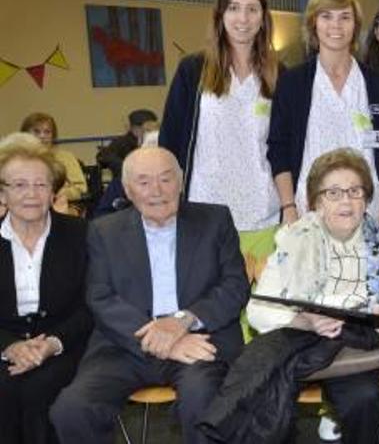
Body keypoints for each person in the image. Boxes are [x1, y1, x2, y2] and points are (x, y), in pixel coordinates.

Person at [49, 147, 250, 444]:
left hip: (200, 340)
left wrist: (182, 322)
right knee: (72, 409)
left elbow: (235, 286)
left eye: (166, 179)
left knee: (202, 399)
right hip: (125, 344)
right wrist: (163, 340)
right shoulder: (104, 231)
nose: (157, 190)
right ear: (128, 190)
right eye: (143, 182)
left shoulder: (215, 219)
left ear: (181, 182)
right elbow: (100, 296)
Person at [203, 148, 379, 444]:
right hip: (298, 342)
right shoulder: (293, 240)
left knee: (363, 397)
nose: (346, 200)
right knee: (265, 398)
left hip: (354, 348)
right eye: (333, 193)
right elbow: (258, 310)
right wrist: (304, 321)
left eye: (355, 191)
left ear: (366, 198)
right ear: (316, 202)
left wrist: (362, 317)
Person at [160, 0, 283, 278]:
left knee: (265, 311)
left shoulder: (280, 74)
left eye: (252, 10)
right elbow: (171, 141)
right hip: (206, 210)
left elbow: (283, 144)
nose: (243, 18)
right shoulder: (193, 69)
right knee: (214, 307)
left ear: (263, 19)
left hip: (262, 211)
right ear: (220, 15)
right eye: (234, 8)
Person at [268, 0, 379, 233]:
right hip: (308, 214)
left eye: (345, 17)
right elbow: (278, 148)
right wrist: (288, 207)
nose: (336, 26)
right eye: (326, 16)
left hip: (367, 214)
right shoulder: (293, 82)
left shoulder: (377, 85)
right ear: (313, 24)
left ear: (355, 25)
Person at [0, 133, 91, 444]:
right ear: (2, 193)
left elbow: (91, 304)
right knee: (6, 390)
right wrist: (10, 346)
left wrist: (52, 343)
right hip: (4, 343)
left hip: (66, 343)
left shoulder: (81, 235)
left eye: (40, 184)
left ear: (53, 191)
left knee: (40, 389)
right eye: (19, 185)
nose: (31, 194)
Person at [20, 113, 87, 213]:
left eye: (47, 132)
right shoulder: (16, 160)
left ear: (53, 136)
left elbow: (81, 188)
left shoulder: (66, 157)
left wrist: (54, 194)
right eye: (36, 131)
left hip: (62, 204)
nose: (42, 136)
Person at [97, 109, 158, 179]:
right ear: (135, 128)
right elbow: (105, 157)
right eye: (148, 129)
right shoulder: (121, 143)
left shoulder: (154, 140)